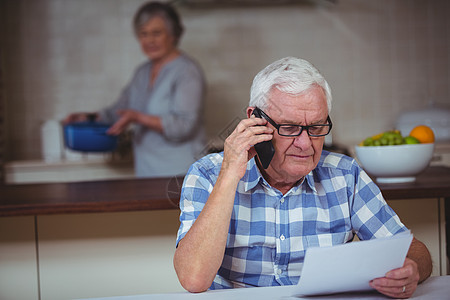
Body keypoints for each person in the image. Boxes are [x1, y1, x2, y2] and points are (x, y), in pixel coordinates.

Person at [173, 57, 432, 298]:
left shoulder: (345, 175)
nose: (305, 144)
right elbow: (194, 279)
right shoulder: (207, 174)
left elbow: (417, 253)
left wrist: (412, 270)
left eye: (317, 127)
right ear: (255, 121)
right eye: (289, 128)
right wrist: (230, 175)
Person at [64, 1, 206, 178]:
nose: (150, 40)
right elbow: (118, 112)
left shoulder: (187, 71)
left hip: (182, 175)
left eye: (156, 33)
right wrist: (87, 118)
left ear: (173, 35)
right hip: (147, 172)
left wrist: (137, 117)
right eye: (143, 34)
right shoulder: (142, 72)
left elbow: (184, 126)